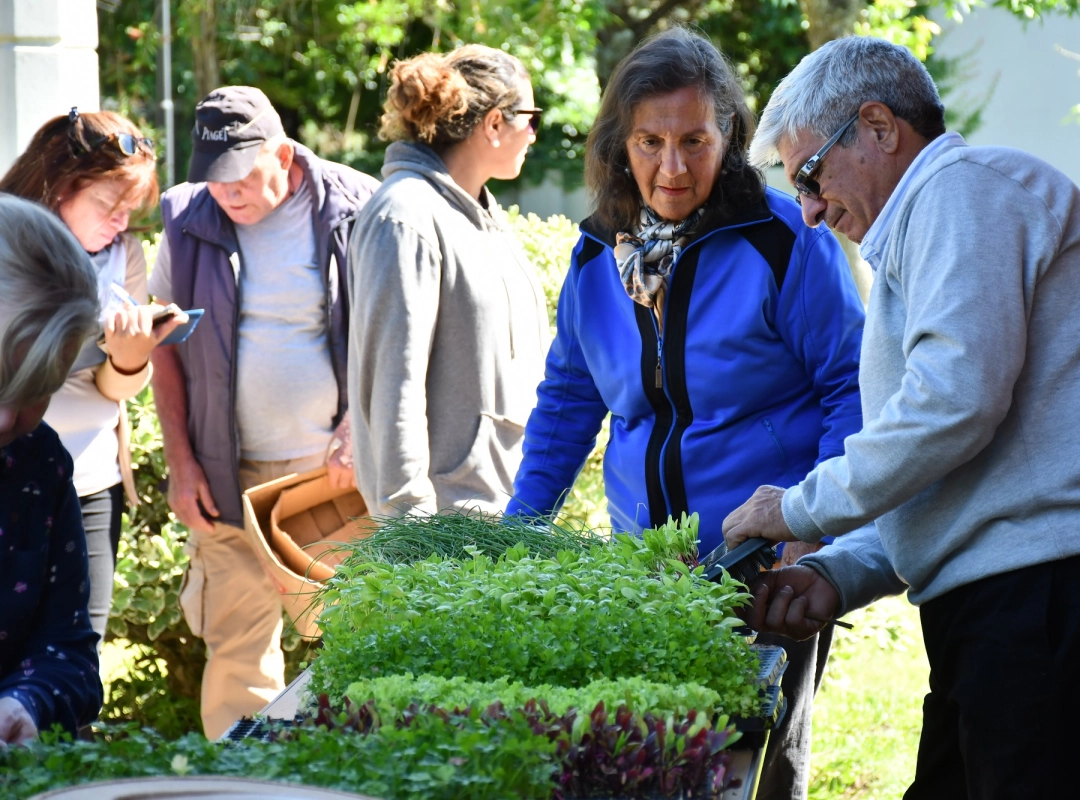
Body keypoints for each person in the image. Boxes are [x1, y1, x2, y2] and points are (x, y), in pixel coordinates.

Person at [724, 36, 1080, 799]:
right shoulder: (933, 220)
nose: (808, 211)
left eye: (810, 174)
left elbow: (953, 407)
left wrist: (798, 506)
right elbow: (954, 468)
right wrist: (837, 575)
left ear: (877, 126)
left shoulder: (962, 192)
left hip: (1059, 591)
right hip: (1024, 596)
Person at [505, 28, 865, 798]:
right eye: (651, 141)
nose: (672, 166)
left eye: (695, 139)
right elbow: (568, 401)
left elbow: (851, 387)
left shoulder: (783, 241)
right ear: (619, 144)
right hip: (647, 574)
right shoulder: (597, 255)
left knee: (756, 768)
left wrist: (811, 531)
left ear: (729, 136)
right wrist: (518, 532)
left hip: (766, 568)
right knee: (651, 768)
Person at [149, 86, 379, 739]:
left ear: (282, 153)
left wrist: (360, 427)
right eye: (213, 179)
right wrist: (181, 462)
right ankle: (244, 778)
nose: (227, 194)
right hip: (223, 478)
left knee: (355, 639)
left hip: (328, 479)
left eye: (241, 177)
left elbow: (394, 335)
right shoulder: (187, 218)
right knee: (237, 658)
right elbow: (163, 343)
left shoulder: (357, 206)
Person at [0, 109, 186, 644]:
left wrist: (130, 358)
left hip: (90, 476)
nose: (121, 223)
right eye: (109, 204)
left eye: (131, 210)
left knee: (78, 644)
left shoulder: (123, 255)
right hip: (14, 473)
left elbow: (113, 391)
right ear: (60, 186)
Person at [348, 45, 548, 516]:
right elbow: (392, 386)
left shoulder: (480, 212)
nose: (535, 134)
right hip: (443, 538)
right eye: (531, 118)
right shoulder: (405, 217)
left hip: (502, 521)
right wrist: (412, 532)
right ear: (495, 123)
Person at [0, 194, 106, 744]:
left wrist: (26, 704)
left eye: (37, 390)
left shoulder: (40, 465)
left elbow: (70, 655)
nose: (7, 418)